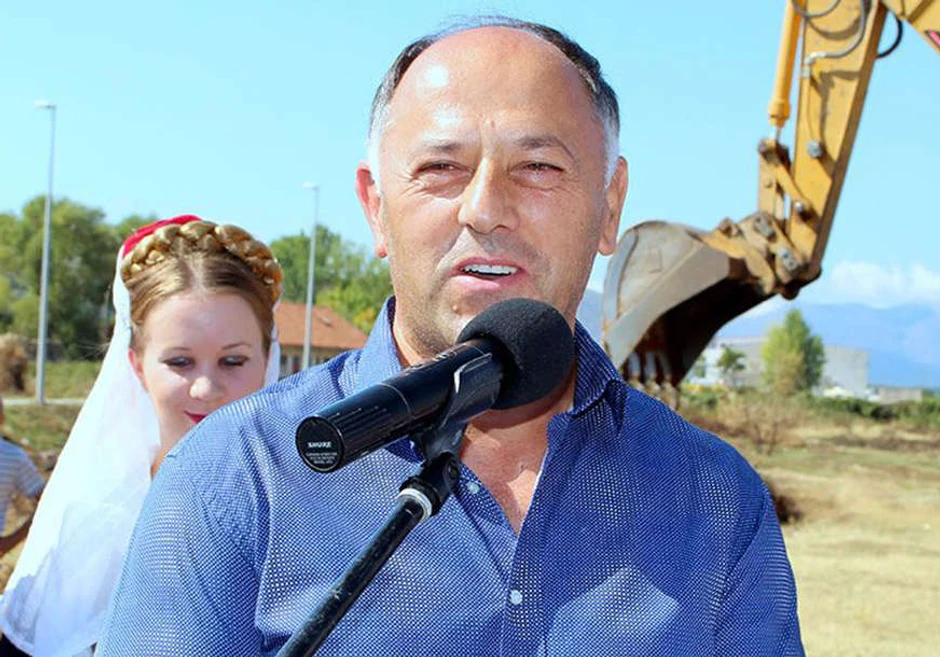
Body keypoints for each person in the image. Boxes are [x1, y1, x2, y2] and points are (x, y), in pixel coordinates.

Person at [98, 17, 804, 656]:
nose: (485, 208)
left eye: (538, 167)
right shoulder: (235, 477)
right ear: (375, 207)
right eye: (441, 168)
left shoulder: (716, 500)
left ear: (610, 205)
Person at [0, 215, 283, 657]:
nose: (206, 388)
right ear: (137, 365)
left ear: (267, 360)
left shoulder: (304, 514)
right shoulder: (93, 527)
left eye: (233, 361)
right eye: (180, 362)